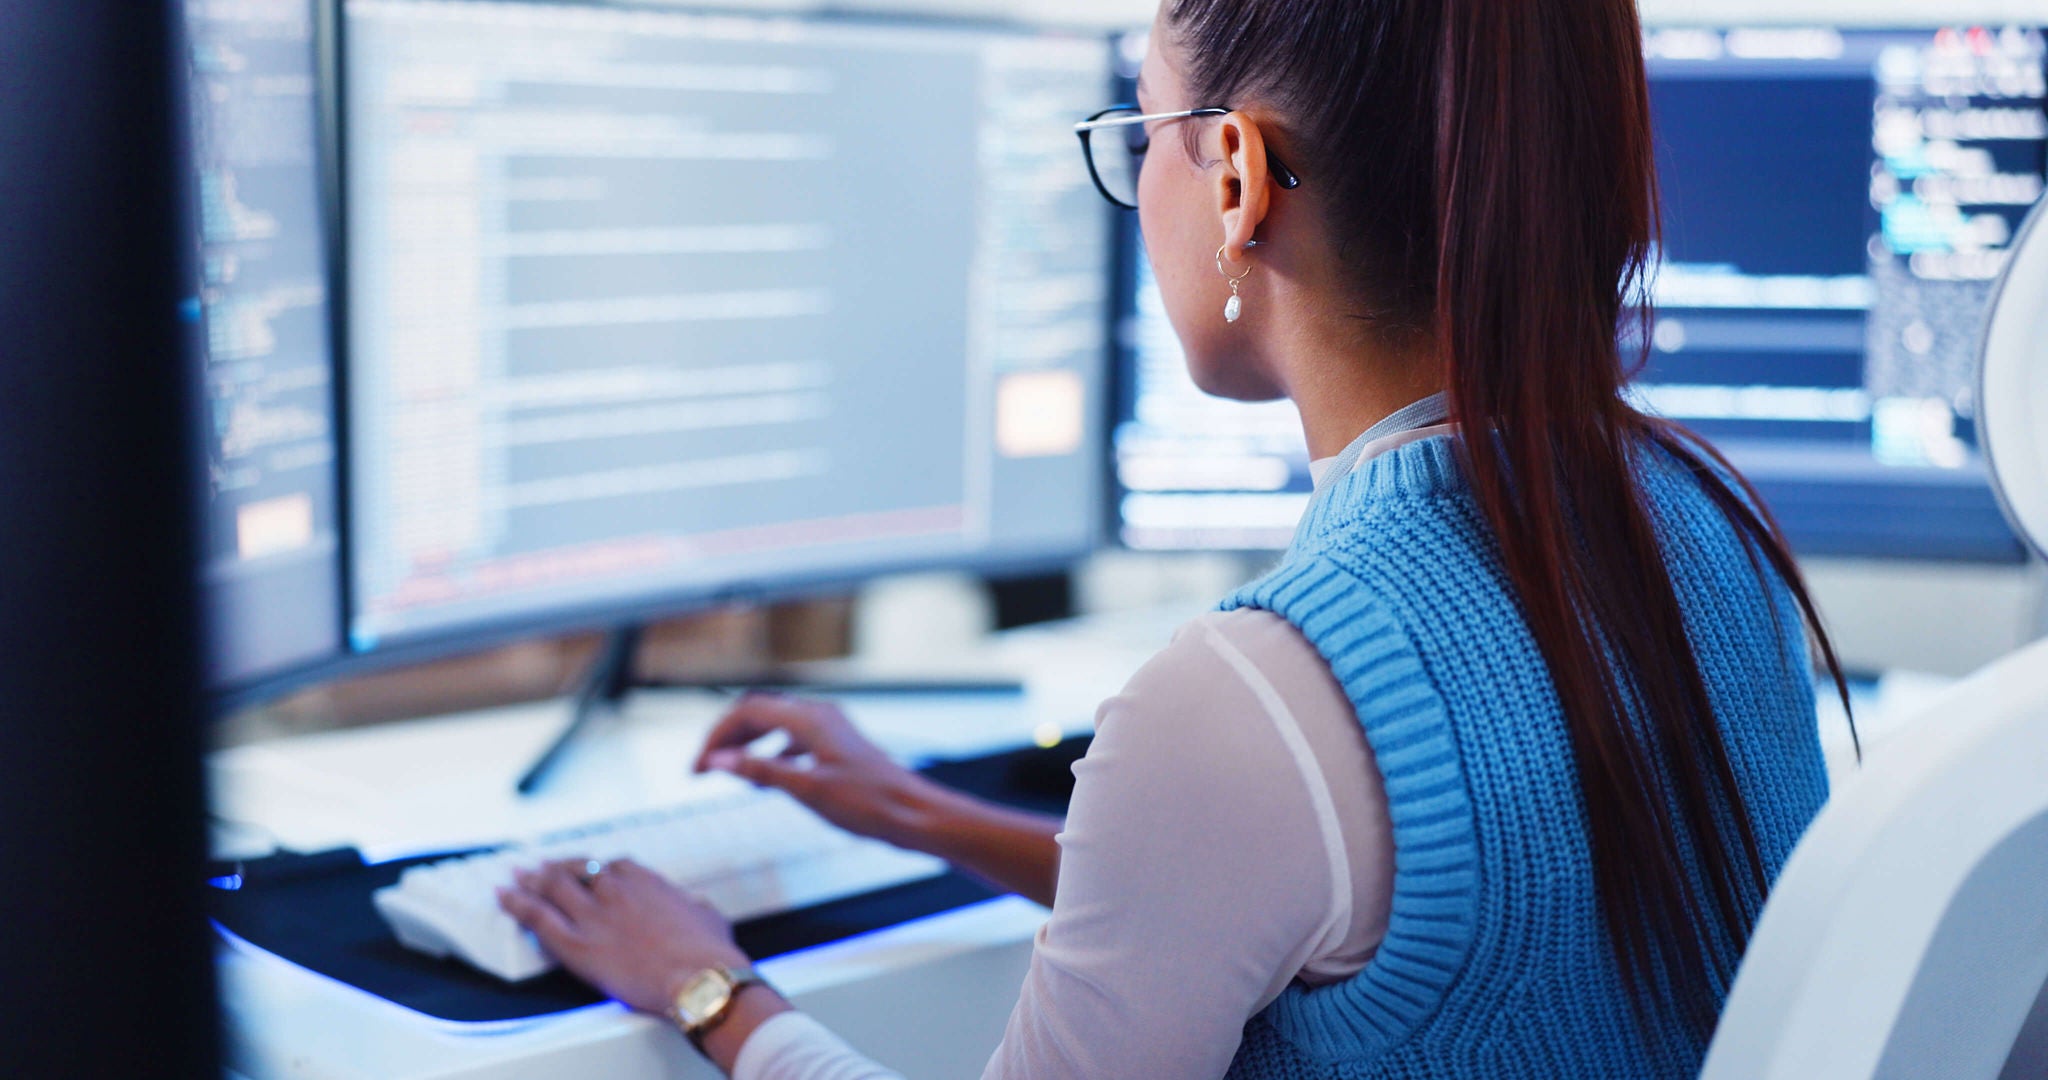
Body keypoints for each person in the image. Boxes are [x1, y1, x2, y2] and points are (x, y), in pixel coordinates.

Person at [498, 0, 1851, 1075]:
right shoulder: (1706, 524)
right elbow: (1295, 908)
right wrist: (919, 814)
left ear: (1239, 179)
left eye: (1141, 131)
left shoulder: (1255, 697)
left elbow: (1276, 847)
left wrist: (705, 984)